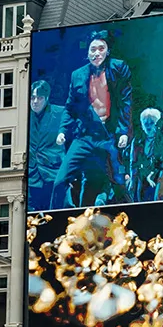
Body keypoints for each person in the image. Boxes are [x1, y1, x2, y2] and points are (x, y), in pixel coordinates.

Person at [51, 29, 132, 208]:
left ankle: (133, 214)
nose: (97, 53)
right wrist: (63, 131)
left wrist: (124, 131)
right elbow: (70, 107)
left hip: (108, 135)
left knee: (118, 181)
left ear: (107, 50)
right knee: (60, 181)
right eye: (93, 50)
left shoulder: (118, 68)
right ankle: (50, 221)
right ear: (87, 53)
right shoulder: (78, 75)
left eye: (101, 49)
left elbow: (126, 102)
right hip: (85, 136)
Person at [28, 79, 66, 210]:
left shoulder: (60, 113)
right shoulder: (24, 116)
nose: (35, 101)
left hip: (53, 172)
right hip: (32, 175)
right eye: (32, 97)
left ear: (47, 98)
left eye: (40, 97)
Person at [129, 108, 162, 203]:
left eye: (151, 123)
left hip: (157, 176)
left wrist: (152, 174)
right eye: (145, 123)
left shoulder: (161, 140)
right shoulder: (137, 141)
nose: (148, 126)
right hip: (142, 177)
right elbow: (133, 163)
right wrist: (132, 180)